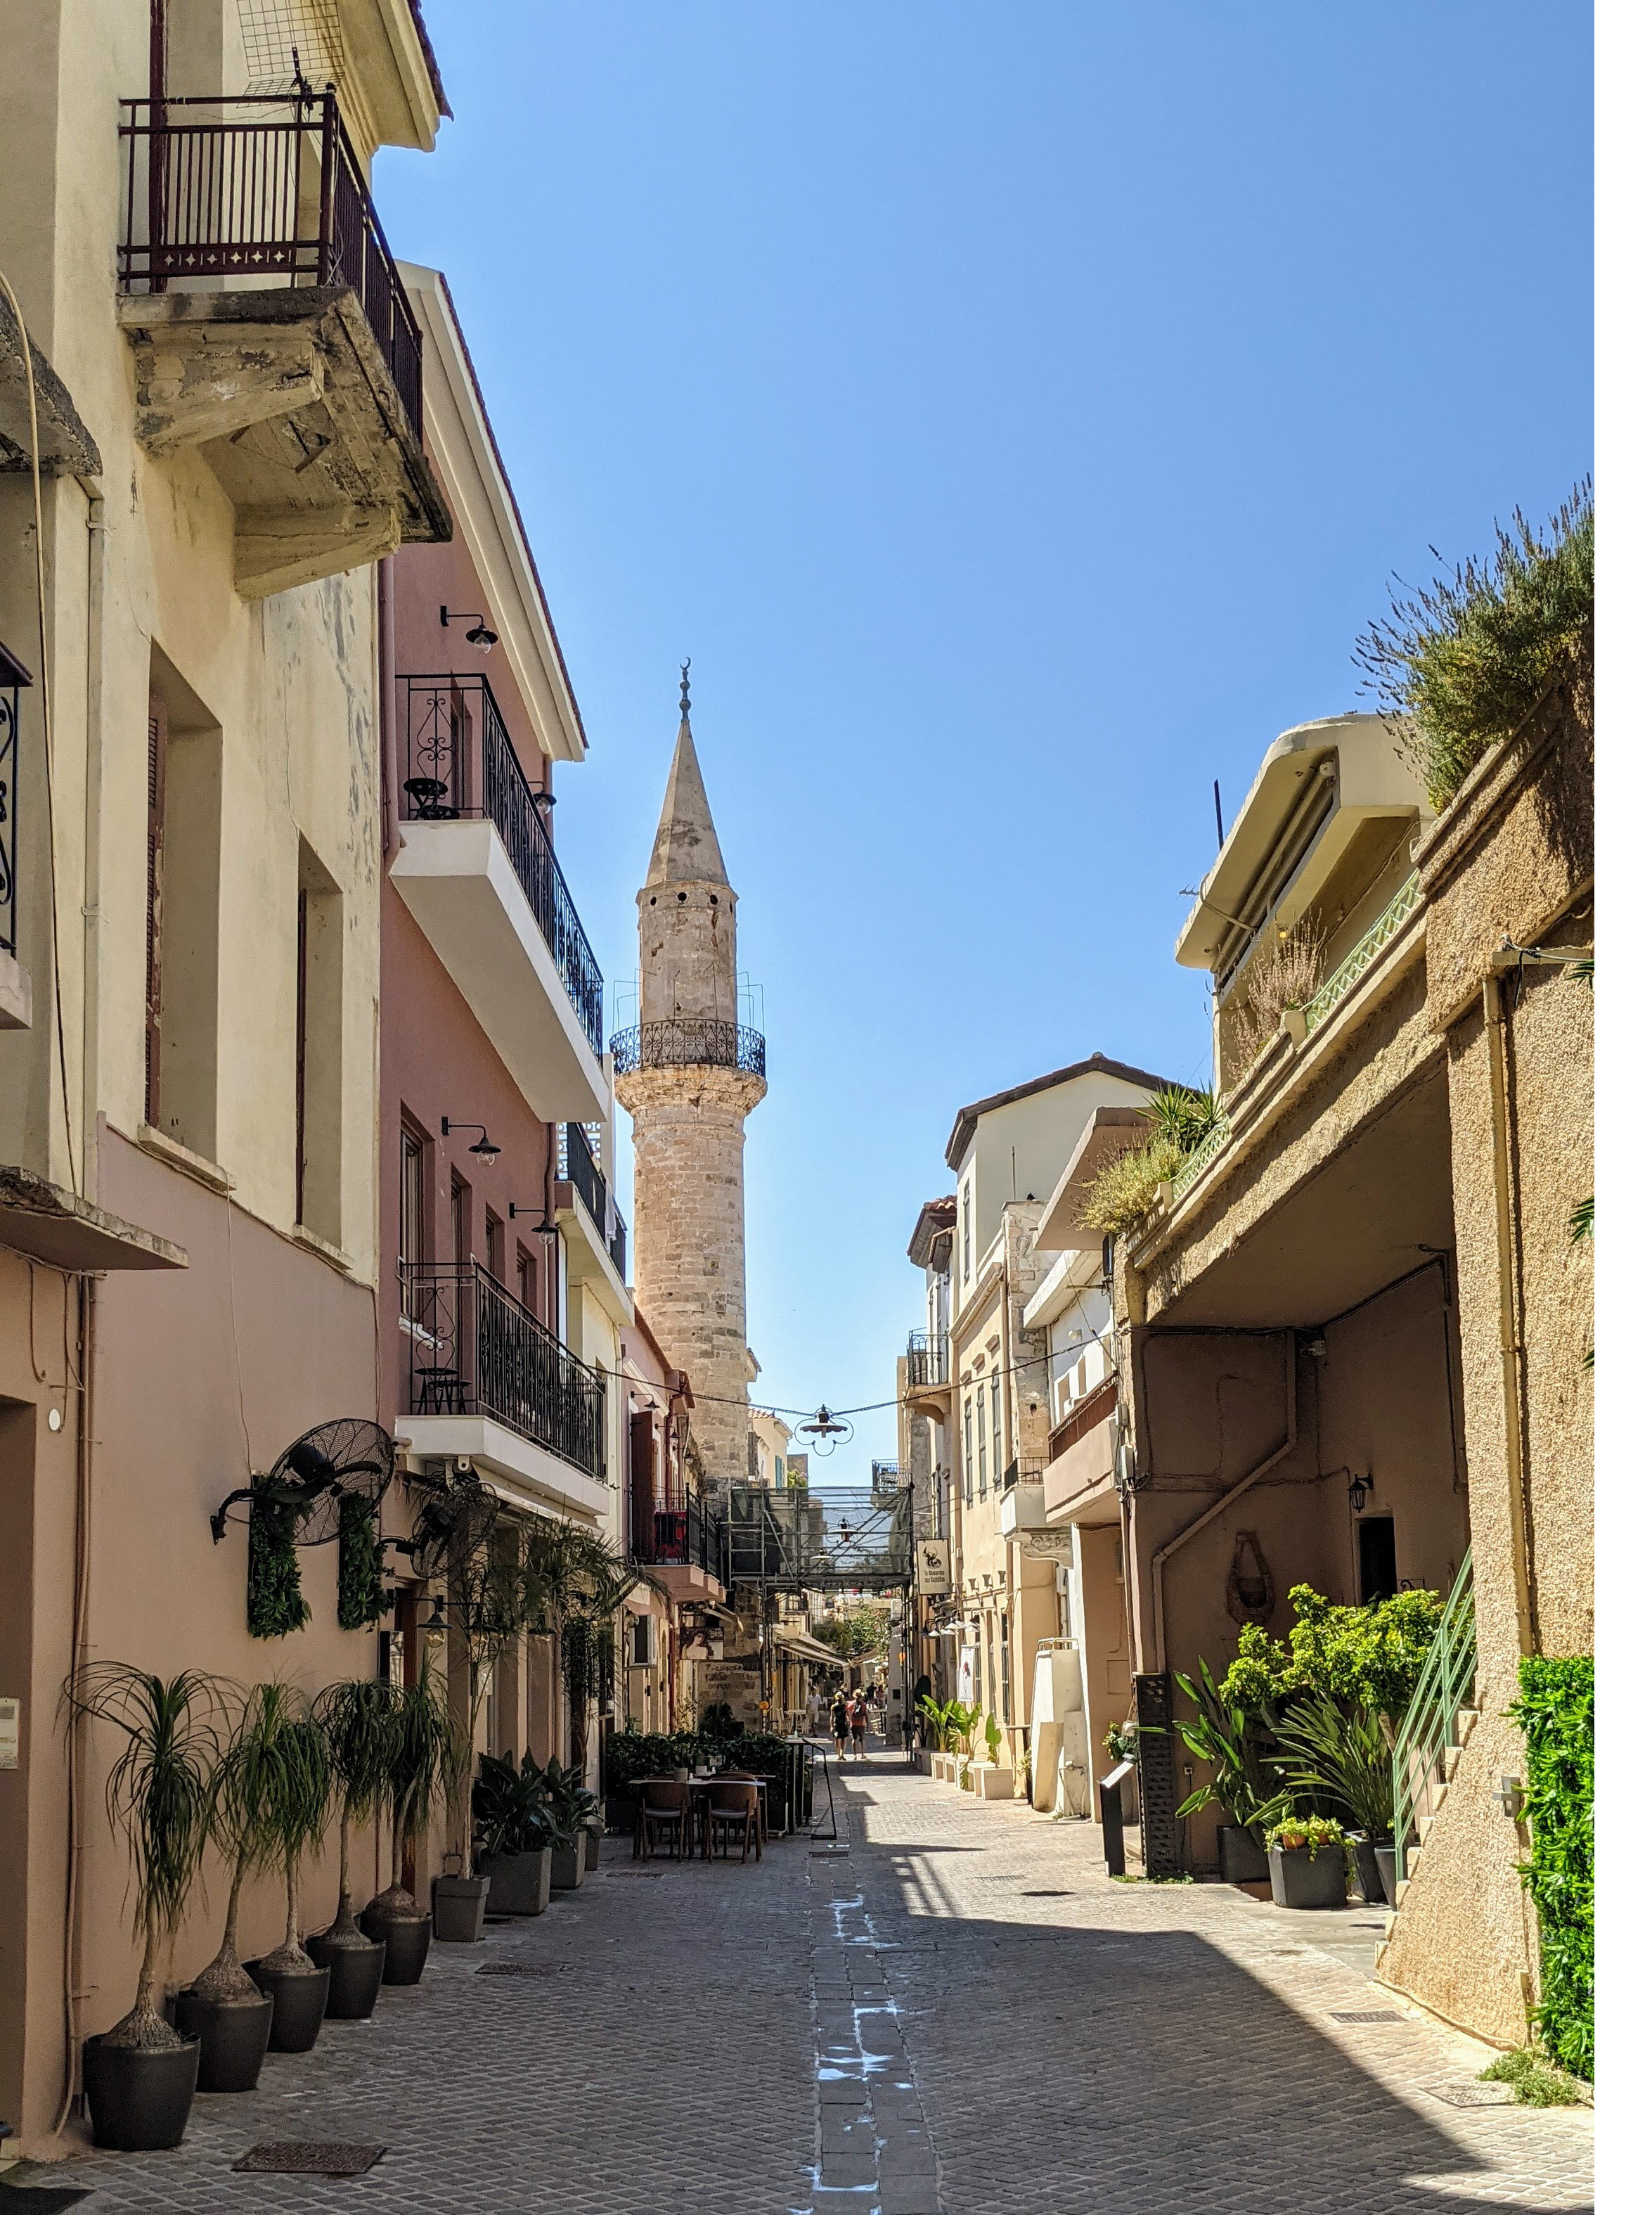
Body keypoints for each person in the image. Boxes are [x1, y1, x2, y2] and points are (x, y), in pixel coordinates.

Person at [831, 1690, 850, 1761]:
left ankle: (842, 1754)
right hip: (838, 1724)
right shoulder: (834, 1707)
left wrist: (848, 1721)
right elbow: (832, 1717)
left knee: (843, 1739)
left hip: (842, 1724)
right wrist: (831, 1726)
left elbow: (847, 1715)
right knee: (838, 1739)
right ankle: (839, 1755)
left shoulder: (845, 1706)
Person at [849, 1691, 867, 1758]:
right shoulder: (863, 1705)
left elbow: (849, 1714)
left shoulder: (851, 1704)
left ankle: (855, 1755)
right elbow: (866, 1715)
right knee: (862, 1740)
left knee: (854, 1739)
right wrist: (867, 1724)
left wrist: (850, 1720)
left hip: (853, 1724)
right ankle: (862, 1754)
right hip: (861, 1724)